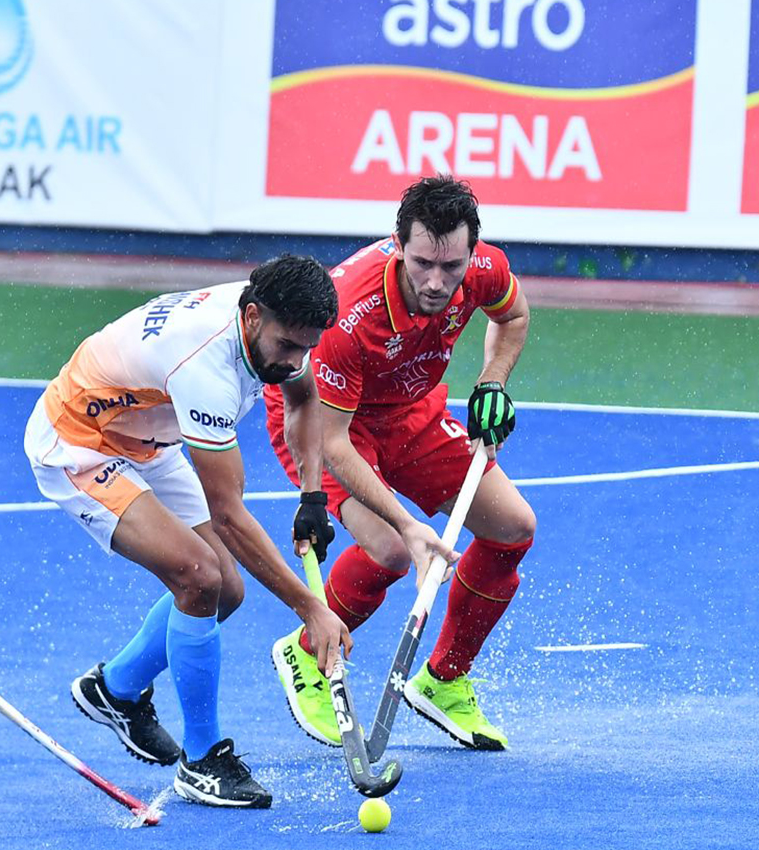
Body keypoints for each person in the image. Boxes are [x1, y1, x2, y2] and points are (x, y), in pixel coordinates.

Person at [25, 255, 453, 808]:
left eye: (306, 348)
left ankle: (115, 689)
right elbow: (228, 515)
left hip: (147, 436)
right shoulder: (205, 368)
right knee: (199, 577)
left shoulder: (280, 322)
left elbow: (304, 397)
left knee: (227, 590)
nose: (295, 359)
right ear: (252, 318)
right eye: (287, 347)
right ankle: (201, 762)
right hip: (80, 442)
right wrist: (312, 609)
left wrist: (313, 496)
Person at [264, 175, 534, 752]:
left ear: (471, 252)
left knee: (513, 528)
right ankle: (306, 653)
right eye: (421, 264)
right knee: (388, 549)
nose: (436, 282)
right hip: (324, 422)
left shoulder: (483, 269)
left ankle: (444, 680)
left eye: (451, 266)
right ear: (397, 244)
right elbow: (334, 443)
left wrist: (492, 382)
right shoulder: (349, 314)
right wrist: (410, 527)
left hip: (409, 408)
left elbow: (512, 316)